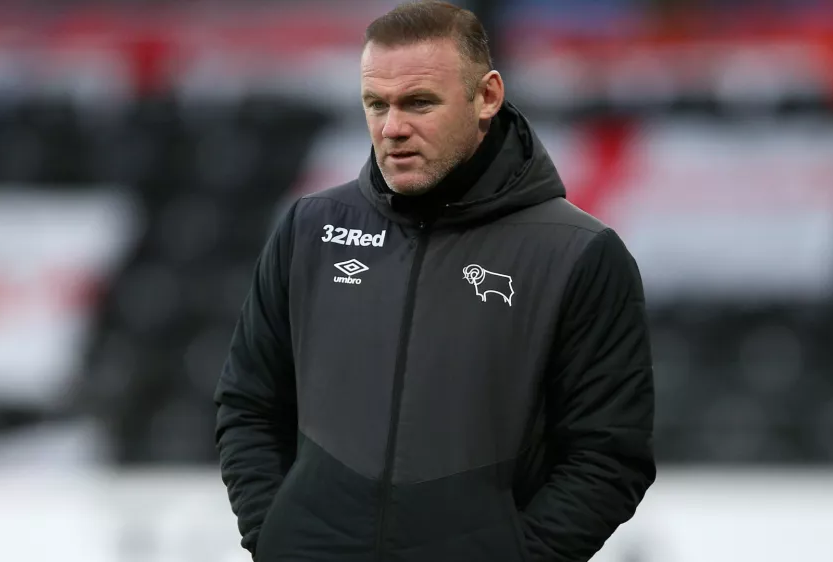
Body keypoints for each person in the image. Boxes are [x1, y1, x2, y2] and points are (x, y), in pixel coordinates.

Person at [215, 2, 656, 560]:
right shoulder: (310, 229)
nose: (392, 128)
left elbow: (608, 456)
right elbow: (248, 404)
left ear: (487, 97)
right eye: (376, 104)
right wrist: (277, 535)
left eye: (419, 103)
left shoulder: (579, 253)